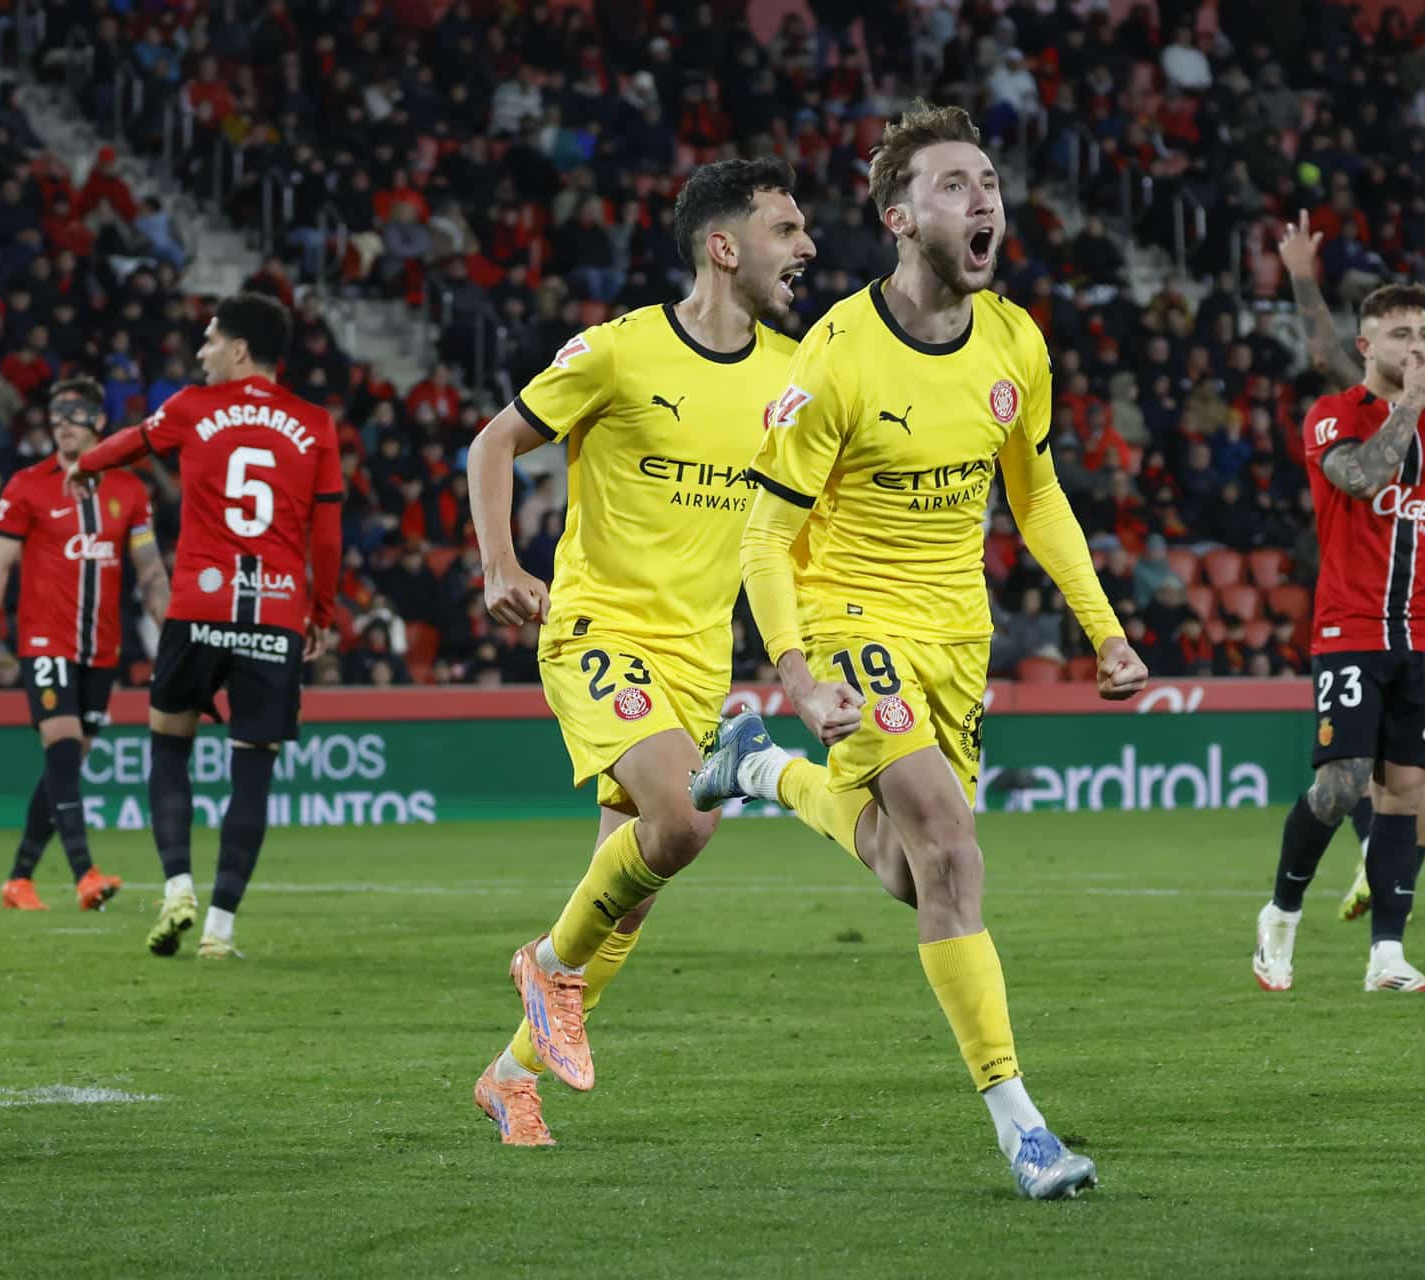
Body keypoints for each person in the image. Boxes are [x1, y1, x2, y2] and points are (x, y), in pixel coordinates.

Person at [702, 103, 1148, 1199]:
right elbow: (765, 531)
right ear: (900, 216)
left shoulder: (1015, 341)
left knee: (914, 873)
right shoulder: (837, 356)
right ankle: (1022, 1124)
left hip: (959, 638)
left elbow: (1036, 498)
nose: (983, 198)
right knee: (952, 849)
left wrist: (1108, 631)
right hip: (854, 623)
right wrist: (798, 668)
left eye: (989, 180)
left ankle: (757, 769)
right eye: (955, 185)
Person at [462, 158, 818, 1148]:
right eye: (786, 229)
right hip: (598, 628)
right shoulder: (616, 354)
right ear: (723, 245)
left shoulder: (792, 379)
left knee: (628, 897)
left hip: (701, 658)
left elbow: (799, 525)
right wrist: (499, 561)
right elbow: (492, 445)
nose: (805, 249)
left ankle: (508, 1075)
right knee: (684, 819)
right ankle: (544, 964)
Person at [64, 295, 342, 961]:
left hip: (198, 609)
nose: (200, 352)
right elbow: (326, 537)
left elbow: (130, 443)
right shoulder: (316, 424)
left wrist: (85, 466)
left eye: (210, 340)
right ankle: (219, 930)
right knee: (253, 771)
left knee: (168, 745)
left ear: (239, 350)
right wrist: (320, 612)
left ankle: (178, 887)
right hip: (276, 613)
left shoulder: (194, 406)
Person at [1251, 278, 1425, 994]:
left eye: (1424, 335)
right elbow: (1360, 477)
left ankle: (1387, 955)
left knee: (1407, 791)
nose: (1417, 349)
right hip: (1350, 627)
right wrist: (1412, 406)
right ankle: (1281, 914)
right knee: (1340, 784)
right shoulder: (1333, 415)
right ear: (1365, 346)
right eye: (1400, 336)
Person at [0, 377, 167, 910]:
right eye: (55, 417)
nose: (62, 425)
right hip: (44, 642)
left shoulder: (129, 490)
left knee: (65, 766)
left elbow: (149, 573)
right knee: (63, 747)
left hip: (101, 651)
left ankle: (19, 879)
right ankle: (85, 874)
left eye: (73, 415)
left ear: (99, 422)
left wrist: (175, 636)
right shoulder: (27, 486)